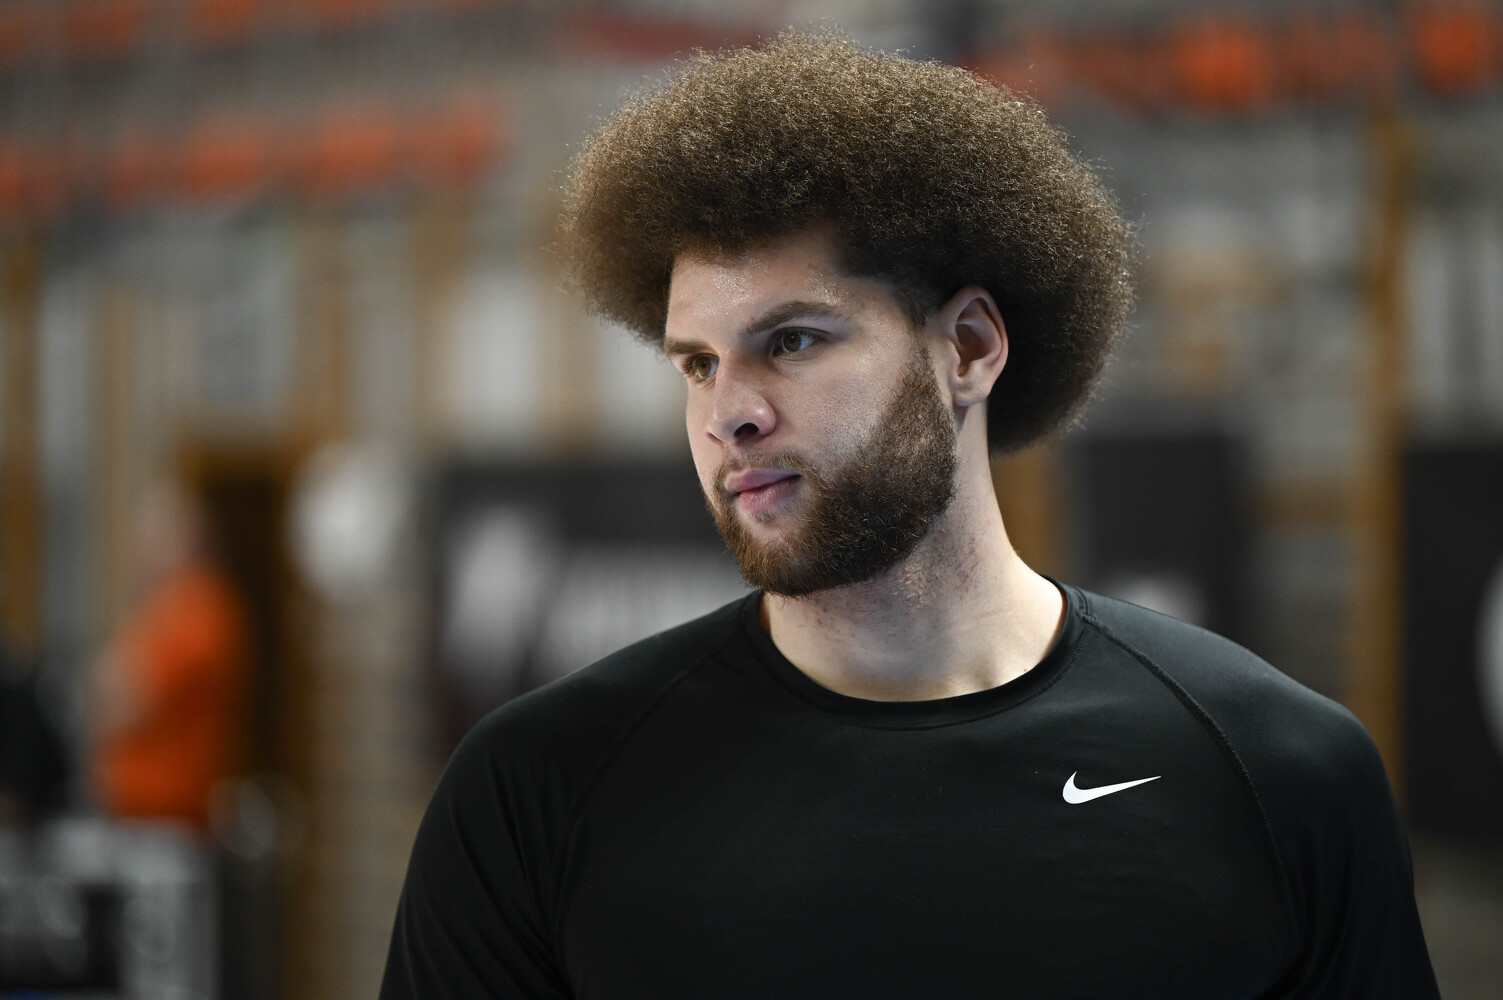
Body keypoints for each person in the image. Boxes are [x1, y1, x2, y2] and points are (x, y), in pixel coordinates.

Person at [381, 32, 1438, 998]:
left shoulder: (1276, 771)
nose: (726, 414)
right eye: (697, 363)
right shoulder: (538, 789)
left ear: (969, 347)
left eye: (792, 341)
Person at [92, 482, 249, 833]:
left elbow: (128, 700)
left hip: (171, 822)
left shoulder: (200, 609)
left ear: (187, 535)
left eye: (154, 532)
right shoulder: (157, 608)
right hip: (134, 817)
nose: (142, 546)